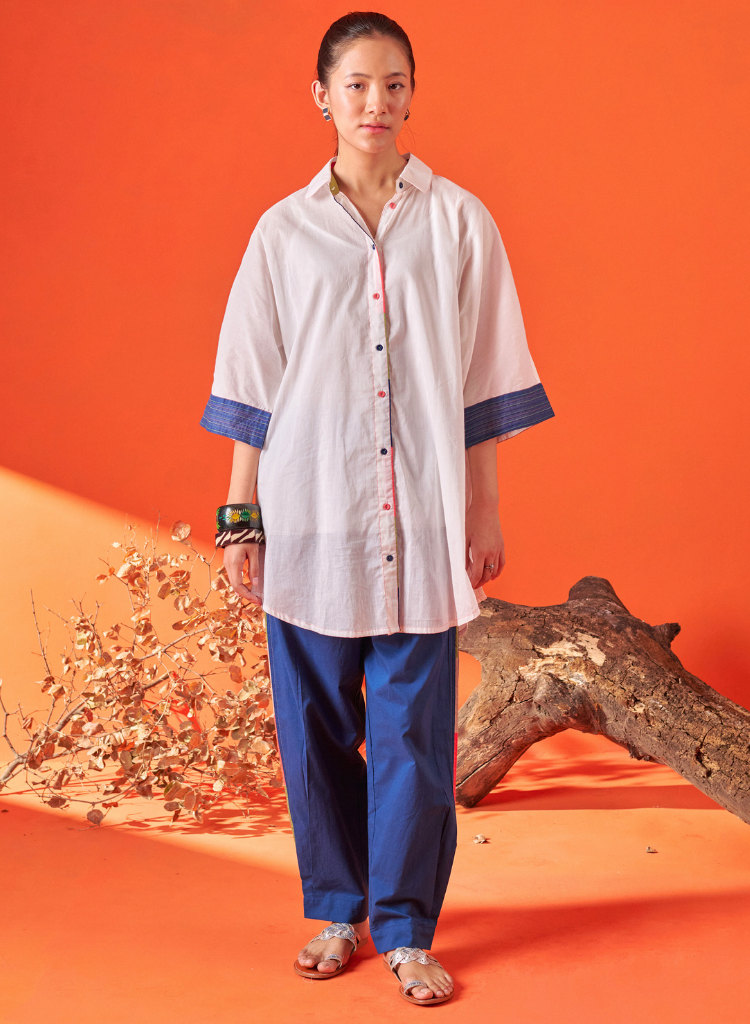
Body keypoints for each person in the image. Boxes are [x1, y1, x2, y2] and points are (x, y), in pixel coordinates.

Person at [200, 11, 554, 1006]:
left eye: (393, 83)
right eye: (356, 84)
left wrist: (483, 511)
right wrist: (240, 516)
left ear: (412, 94)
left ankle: (404, 930)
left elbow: (486, 382)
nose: (376, 102)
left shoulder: (460, 223)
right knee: (314, 728)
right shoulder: (282, 232)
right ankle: (336, 911)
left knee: (413, 739)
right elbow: (252, 384)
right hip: (308, 513)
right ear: (321, 96)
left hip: (421, 524)